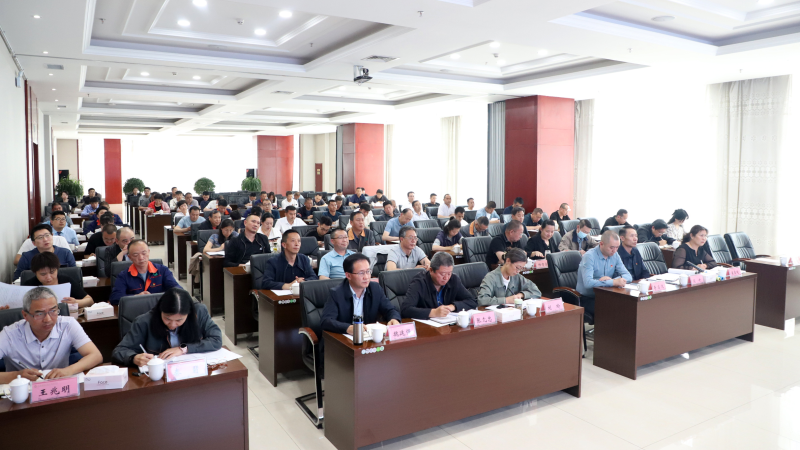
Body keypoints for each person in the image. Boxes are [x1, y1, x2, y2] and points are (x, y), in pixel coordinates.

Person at [0, 287, 102, 383]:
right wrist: (16, 375)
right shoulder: (9, 334)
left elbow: (96, 355)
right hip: (22, 391)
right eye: (39, 314)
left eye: (53, 311)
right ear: (25, 315)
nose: (48, 319)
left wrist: (68, 370)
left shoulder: (68, 325)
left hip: (59, 387)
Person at [112, 288, 221, 367]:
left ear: (189, 314)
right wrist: (133, 358)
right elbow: (119, 351)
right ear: (160, 311)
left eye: (179, 320)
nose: (172, 324)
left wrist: (184, 349)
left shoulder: (199, 313)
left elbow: (216, 339)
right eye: (167, 318)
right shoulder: (144, 322)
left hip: (192, 370)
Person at [321, 253, 401, 335]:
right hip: (345, 337)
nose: (366, 277)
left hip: (368, 337)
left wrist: (394, 318)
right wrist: (347, 328)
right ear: (348, 275)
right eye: (361, 273)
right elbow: (326, 321)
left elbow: (390, 309)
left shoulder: (375, 288)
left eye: (368, 271)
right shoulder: (336, 293)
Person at [401, 252, 476, 319]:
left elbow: (472, 301)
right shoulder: (419, 282)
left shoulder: (453, 280)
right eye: (442, 274)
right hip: (425, 326)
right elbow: (405, 309)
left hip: (447, 324)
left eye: (449, 273)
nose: (446, 278)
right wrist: (434, 312)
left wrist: (452, 307)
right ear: (431, 270)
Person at [576, 231, 633, 316]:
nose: (614, 250)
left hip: (607, 295)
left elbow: (628, 276)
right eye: (612, 247)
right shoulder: (590, 256)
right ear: (601, 244)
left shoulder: (615, 255)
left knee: (628, 306)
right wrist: (612, 282)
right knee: (612, 310)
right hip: (588, 297)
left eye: (617, 247)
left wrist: (613, 281)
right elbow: (588, 283)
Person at [109, 240, 181, 305]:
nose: (141, 258)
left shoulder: (162, 270)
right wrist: (137, 297)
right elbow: (115, 298)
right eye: (135, 255)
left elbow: (178, 290)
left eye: (144, 253)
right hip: (136, 310)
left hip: (160, 308)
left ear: (148, 252)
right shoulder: (123, 276)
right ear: (130, 257)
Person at [22, 252, 94, 308]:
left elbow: (90, 301)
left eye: (52, 272)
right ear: (35, 273)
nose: (48, 277)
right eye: (43, 274)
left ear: (57, 269)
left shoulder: (66, 281)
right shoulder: (28, 285)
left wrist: (76, 302)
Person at [477, 248, 542, 306]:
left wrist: (521, 295)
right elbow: (482, 300)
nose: (518, 271)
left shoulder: (517, 277)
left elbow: (536, 292)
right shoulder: (491, 277)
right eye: (517, 267)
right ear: (508, 261)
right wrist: (506, 300)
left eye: (521, 269)